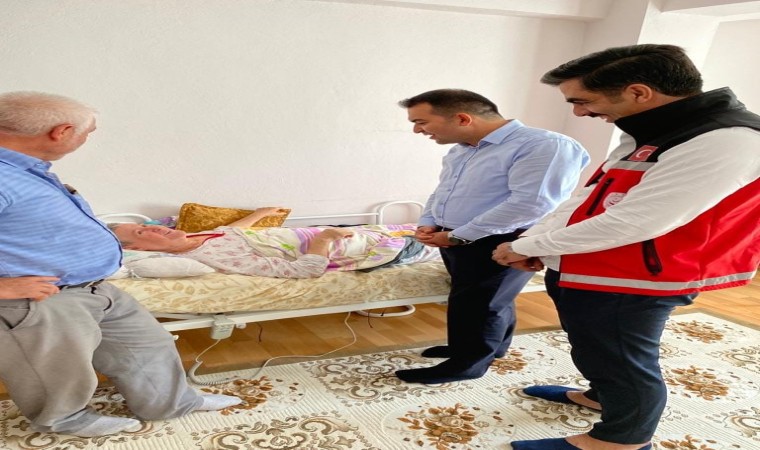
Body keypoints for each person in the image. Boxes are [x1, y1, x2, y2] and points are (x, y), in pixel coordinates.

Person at [492, 44, 760, 450]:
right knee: (594, 344)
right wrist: (536, 244)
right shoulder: (647, 129)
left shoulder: (727, 140)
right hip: (592, 262)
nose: (579, 113)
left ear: (638, 92)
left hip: (638, 276)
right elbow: (586, 197)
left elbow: (638, 220)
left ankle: (622, 441)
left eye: (583, 101)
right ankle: (601, 395)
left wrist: (531, 245)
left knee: (624, 359)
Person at [0, 91, 242, 438]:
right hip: (42, 297)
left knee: (149, 345)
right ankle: (64, 421)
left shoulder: (26, 169)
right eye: (88, 132)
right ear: (61, 132)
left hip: (93, 286)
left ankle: (171, 403)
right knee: (59, 370)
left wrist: (117, 237)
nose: (88, 138)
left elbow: (39, 229)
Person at [396, 89, 590, 384]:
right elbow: (443, 190)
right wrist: (429, 222)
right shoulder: (461, 150)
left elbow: (531, 204)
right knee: (483, 298)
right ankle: (488, 347)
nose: (417, 130)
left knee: (480, 303)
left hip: (502, 238)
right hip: (456, 238)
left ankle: (467, 364)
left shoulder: (544, 145)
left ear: (462, 119)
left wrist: (459, 236)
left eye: (421, 122)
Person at [109, 213, 433, 278]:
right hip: (345, 245)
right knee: (441, 243)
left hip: (335, 231)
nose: (152, 227)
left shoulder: (197, 237)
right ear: (144, 251)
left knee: (427, 226)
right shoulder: (212, 256)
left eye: (145, 224)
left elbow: (229, 231)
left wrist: (261, 214)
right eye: (141, 232)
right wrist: (324, 239)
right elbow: (304, 271)